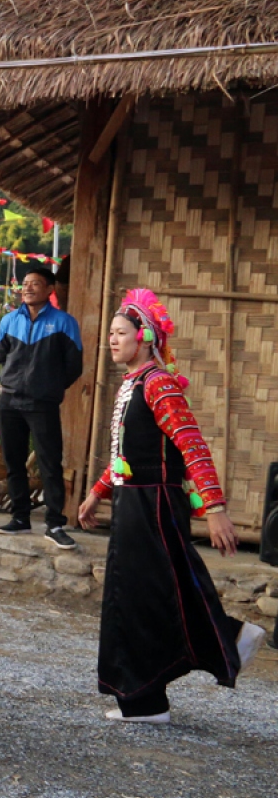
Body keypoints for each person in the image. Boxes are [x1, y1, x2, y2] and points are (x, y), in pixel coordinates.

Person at [77, 289, 265, 722]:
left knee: (150, 595)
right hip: (132, 502)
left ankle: (215, 648)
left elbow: (192, 446)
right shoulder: (133, 384)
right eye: (110, 332)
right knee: (142, 596)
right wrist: (97, 492)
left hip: (154, 505)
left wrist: (215, 508)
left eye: (120, 332)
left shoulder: (159, 384)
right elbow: (126, 454)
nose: (112, 339)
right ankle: (149, 699)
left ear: (144, 338)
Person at [0, 268, 84, 548]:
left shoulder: (64, 322)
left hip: (42, 403)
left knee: (49, 463)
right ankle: (20, 517)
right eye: (25, 284)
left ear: (49, 290)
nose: (28, 288)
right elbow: (0, 359)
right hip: (10, 400)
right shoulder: (8, 320)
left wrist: (50, 387)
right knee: (13, 461)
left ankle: (55, 524)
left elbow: (74, 366)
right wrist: (9, 383)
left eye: (35, 284)